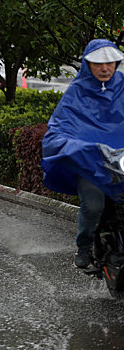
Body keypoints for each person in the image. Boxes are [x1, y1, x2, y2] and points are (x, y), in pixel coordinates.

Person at [41, 39, 124, 268]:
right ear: (88, 64)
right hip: (92, 163)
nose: (105, 68)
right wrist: (77, 147)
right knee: (93, 205)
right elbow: (58, 128)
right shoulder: (76, 92)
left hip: (121, 160)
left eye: (110, 63)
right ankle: (85, 245)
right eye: (98, 63)